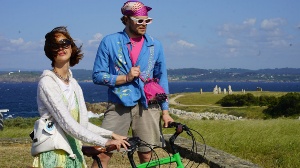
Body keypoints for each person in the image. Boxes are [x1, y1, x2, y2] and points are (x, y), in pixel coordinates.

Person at [31, 26, 129, 168]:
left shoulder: (74, 83)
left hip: (73, 153)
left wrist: (112, 135)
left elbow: (81, 123)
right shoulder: (47, 82)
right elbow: (68, 124)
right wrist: (105, 142)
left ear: (71, 47)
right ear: (49, 51)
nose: (61, 48)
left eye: (64, 43)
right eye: (54, 45)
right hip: (55, 155)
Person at [92, 0, 174, 167]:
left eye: (147, 20)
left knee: (147, 154)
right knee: (103, 153)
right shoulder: (109, 42)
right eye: (139, 20)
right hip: (118, 103)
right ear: (126, 19)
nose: (144, 24)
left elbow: (162, 77)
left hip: (148, 105)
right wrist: (125, 78)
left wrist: (165, 111)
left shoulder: (155, 45)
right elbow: (97, 76)